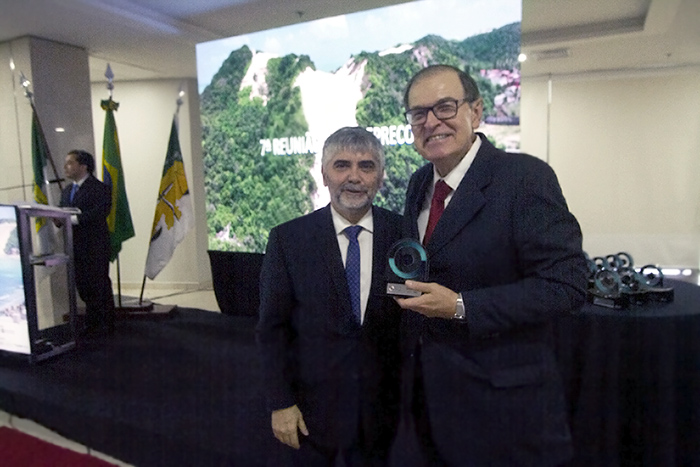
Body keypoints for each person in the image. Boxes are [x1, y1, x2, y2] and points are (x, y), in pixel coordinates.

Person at [395, 64, 589, 466]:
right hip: (429, 400)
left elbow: (567, 285)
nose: (431, 122)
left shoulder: (524, 178)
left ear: (476, 112)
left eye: (445, 107)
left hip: (504, 411)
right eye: (419, 113)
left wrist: (462, 305)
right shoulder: (418, 183)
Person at [256, 127, 402, 466]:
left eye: (366, 166)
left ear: (379, 177)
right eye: (341, 165)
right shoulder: (288, 240)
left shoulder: (404, 234)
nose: (354, 177)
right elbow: (271, 330)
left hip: (385, 411)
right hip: (311, 410)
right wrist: (280, 402)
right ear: (324, 175)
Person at [58, 149, 115, 337]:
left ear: (83, 166)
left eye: (70, 163)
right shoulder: (67, 191)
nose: (66, 167)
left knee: (98, 283)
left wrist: (73, 219)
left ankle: (106, 323)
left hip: (94, 245)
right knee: (82, 285)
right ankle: (92, 323)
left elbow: (100, 212)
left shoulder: (100, 188)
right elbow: (60, 212)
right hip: (74, 246)